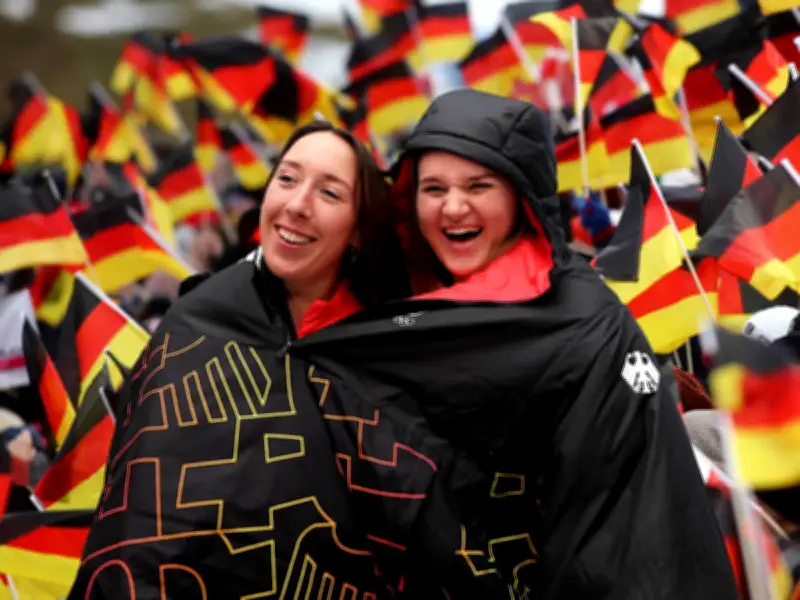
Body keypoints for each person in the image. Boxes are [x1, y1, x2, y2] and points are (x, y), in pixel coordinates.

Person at [288, 90, 739, 598]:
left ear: (521, 197)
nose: (453, 207)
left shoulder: (580, 323)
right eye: (433, 188)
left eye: (479, 185)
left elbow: (621, 528)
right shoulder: (414, 304)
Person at [67, 121, 415, 599]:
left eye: (329, 193)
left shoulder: (389, 350)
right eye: (287, 179)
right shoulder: (193, 328)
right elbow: (138, 532)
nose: (297, 204)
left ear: (358, 229)